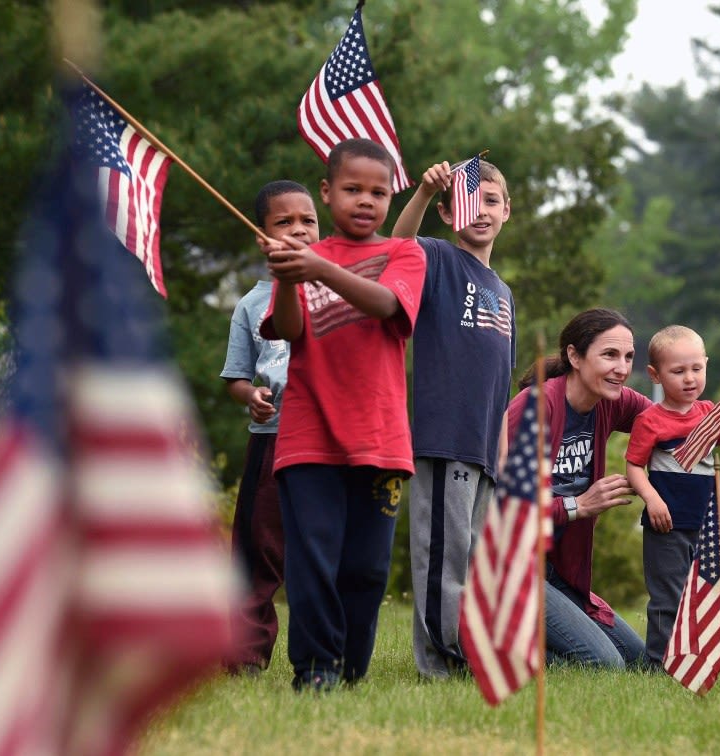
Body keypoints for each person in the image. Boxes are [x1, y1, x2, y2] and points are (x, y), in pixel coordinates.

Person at [259, 138, 426, 692]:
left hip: (381, 441)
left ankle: (352, 669)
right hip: (308, 438)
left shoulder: (404, 254)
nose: (365, 201)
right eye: (352, 189)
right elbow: (288, 330)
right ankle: (316, 670)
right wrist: (288, 279)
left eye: (378, 192)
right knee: (313, 561)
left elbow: (386, 306)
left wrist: (316, 270)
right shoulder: (304, 256)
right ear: (327, 192)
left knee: (367, 569)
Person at [391, 159, 516, 679]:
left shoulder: (504, 292)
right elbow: (397, 245)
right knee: (442, 558)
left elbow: (502, 382)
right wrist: (421, 192)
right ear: (447, 213)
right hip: (444, 439)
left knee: (469, 561)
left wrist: (504, 456)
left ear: (507, 210)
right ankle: (445, 664)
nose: (481, 211)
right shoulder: (439, 258)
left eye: (491, 201)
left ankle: (453, 656)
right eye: (469, 201)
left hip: (484, 448)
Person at [625, 325, 720, 669]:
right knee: (667, 596)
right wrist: (652, 498)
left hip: (708, 522)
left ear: (706, 364)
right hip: (667, 524)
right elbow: (633, 467)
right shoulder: (651, 420)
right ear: (655, 375)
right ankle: (660, 663)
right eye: (678, 371)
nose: (689, 378)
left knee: (707, 591)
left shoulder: (710, 414)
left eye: (696, 368)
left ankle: (701, 658)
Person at [507, 308, 648, 669]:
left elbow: (674, 422)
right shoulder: (535, 407)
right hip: (511, 565)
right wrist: (577, 505)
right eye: (610, 355)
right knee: (605, 666)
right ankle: (485, 649)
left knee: (638, 660)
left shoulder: (610, 402)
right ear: (574, 356)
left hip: (555, 570)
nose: (622, 368)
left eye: (628, 356)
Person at [220, 180, 319, 674]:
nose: (298, 229)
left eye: (307, 220)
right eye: (284, 222)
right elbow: (236, 378)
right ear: (261, 235)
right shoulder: (250, 305)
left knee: (320, 552)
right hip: (271, 442)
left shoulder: (334, 286)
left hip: (324, 443)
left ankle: (322, 653)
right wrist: (252, 396)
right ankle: (245, 655)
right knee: (259, 549)